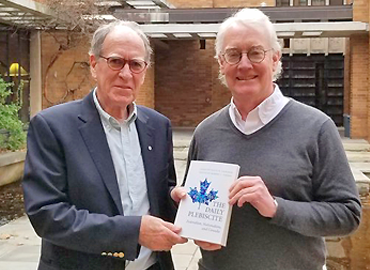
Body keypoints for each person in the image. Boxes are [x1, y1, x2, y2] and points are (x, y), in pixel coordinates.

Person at [171, 8, 361, 270]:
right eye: (233, 54)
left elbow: (348, 214)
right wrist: (187, 213)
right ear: (221, 64)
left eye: (255, 52)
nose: (244, 64)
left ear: (274, 59)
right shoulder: (206, 132)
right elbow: (192, 203)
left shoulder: (316, 128)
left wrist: (275, 208)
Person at [23, 20, 186, 270]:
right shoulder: (52, 126)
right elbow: (47, 215)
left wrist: (177, 202)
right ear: (93, 64)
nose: (125, 74)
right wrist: (134, 232)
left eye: (135, 64)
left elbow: (161, 195)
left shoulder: (158, 126)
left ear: (145, 70)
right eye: (116, 61)